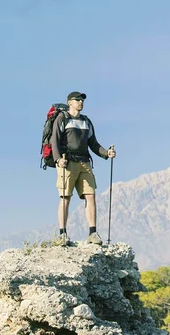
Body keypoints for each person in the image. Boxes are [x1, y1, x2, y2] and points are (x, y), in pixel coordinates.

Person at [51, 90, 116, 245]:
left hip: (84, 163)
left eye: (82, 100)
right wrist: (58, 159)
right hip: (67, 163)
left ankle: (93, 233)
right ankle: (62, 234)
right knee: (65, 197)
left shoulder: (86, 122)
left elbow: (93, 143)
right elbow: (55, 141)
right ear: (69, 102)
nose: (81, 102)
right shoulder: (62, 118)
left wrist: (106, 153)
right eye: (77, 99)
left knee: (90, 195)